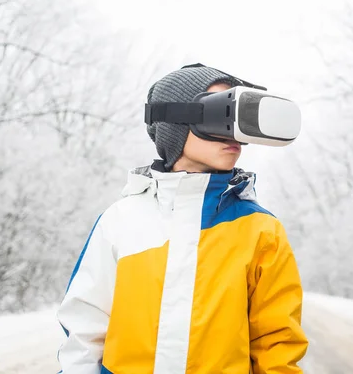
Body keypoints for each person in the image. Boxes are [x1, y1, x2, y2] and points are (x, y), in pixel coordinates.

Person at [56, 64, 308, 374]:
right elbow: (84, 334)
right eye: (221, 113)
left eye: (240, 120)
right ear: (174, 123)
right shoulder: (120, 221)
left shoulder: (261, 230)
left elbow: (276, 347)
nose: (234, 136)